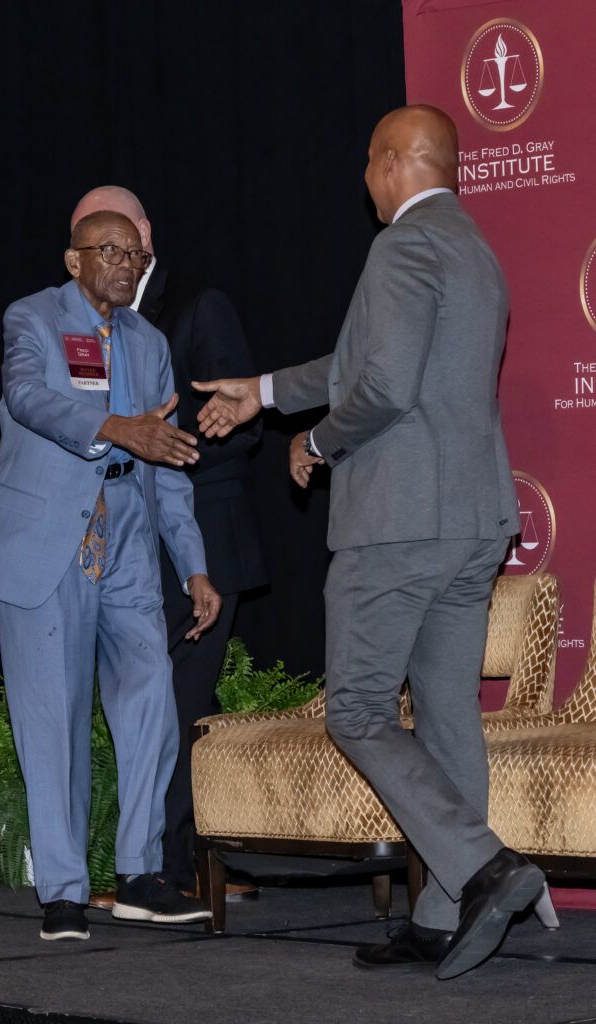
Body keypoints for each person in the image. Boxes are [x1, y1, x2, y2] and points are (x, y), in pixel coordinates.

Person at [191, 105, 546, 980]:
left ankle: (484, 865)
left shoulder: (400, 248)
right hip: (471, 523)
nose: (363, 181)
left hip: (398, 523)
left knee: (355, 710)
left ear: (394, 161)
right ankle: (440, 915)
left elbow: (379, 387)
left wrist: (314, 444)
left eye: (368, 163)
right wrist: (262, 391)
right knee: (448, 715)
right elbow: (361, 364)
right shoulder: (473, 250)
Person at [0, 210, 222, 941]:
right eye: (109, 250)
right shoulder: (33, 318)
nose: (124, 264)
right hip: (51, 540)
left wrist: (195, 568)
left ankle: (140, 875)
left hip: (130, 543)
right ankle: (65, 894)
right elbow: (27, 397)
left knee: (150, 706)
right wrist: (113, 426)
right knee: (55, 720)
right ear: (74, 260)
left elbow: (169, 465)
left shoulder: (150, 342)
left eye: (135, 255)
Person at [70, 187, 268, 900]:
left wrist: (160, 445)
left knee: (180, 708)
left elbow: (240, 428)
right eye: (87, 246)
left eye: (111, 243)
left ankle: (171, 869)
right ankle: (160, 862)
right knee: (145, 705)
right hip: (124, 547)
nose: (98, 258)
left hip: (201, 543)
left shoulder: (197, 305)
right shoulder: (87, 324)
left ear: (142, 235)